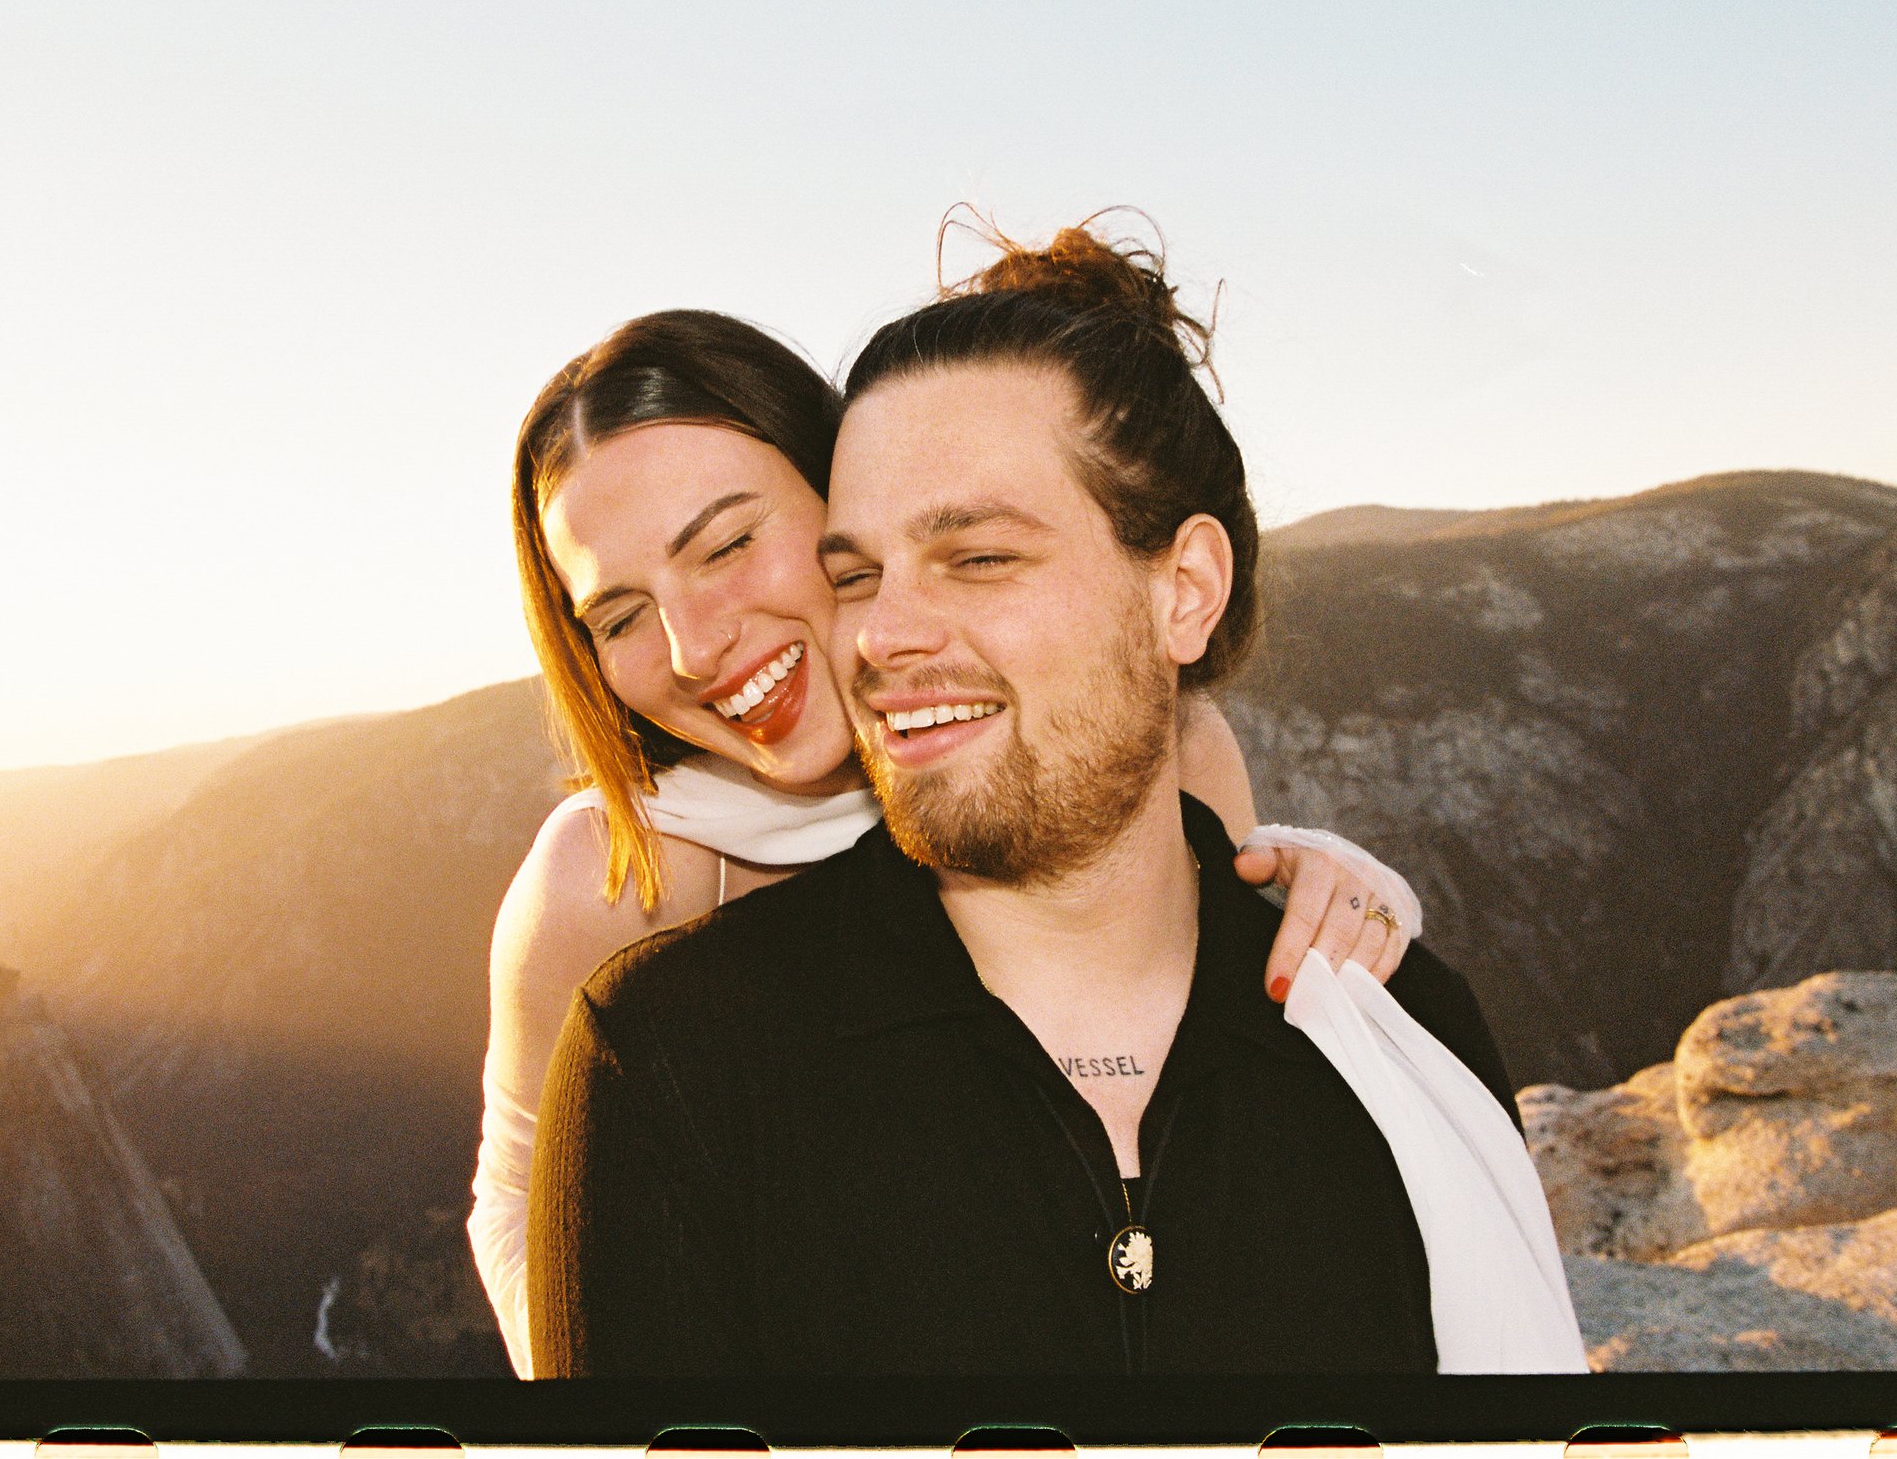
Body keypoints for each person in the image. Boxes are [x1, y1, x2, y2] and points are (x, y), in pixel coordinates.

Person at [525, 220, 1585, 1376]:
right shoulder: (656, 1024)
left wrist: (1344, 916)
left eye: (977, 556)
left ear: (1184, 591)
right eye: (859, 573)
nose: (694, 647)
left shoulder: (1393, 1031)